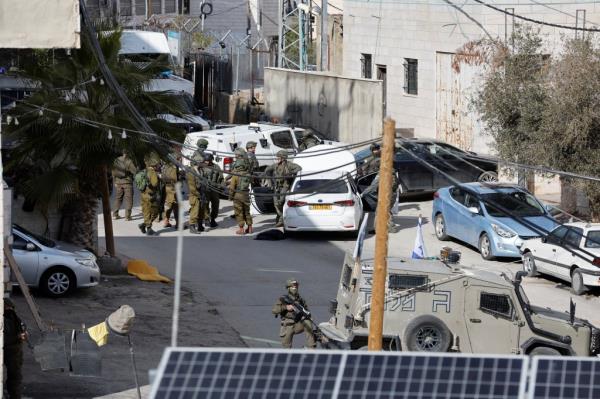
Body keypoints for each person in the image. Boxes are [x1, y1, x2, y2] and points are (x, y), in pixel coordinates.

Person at [272, 279, 316, 349]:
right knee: (286, 347)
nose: (295, 288)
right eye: (292, 287)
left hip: (297, 324)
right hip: (287, 325)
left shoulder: (300, 300)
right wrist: (286, 307)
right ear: (288, 288)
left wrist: (308, 316)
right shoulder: (283, 299)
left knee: (308, 322)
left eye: (296, 287)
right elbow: (274, 310)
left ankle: (311, 348)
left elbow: (306, 310)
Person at [264, 150, 302, 227]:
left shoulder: (289, 165)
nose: (277, 158)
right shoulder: (275, 165)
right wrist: (269, 179)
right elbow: (267, 170)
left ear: (283, 158)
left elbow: (299, 168)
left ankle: (281, 219)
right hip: (277, 187)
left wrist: (290, 173)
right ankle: (280, 217)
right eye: (277, 157)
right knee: (276, 203)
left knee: (281, 202)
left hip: (285, 185)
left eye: (279, 157)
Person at [4, 299, 26, 399]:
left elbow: (6, 338)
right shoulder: (15, 317)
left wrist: (19, 336)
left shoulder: (8, 319)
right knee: (15, 378)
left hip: (13, 351)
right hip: (16, 351)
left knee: (14, 379)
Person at [138, 154, 161, 236]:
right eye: (158, 164)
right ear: (155, 165)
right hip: (150, 195)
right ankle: (149, 228)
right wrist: (158, 177)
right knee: (154, 211)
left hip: (144, 194)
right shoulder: (152, 172)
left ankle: (144, 225)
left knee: (147, 211)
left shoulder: (145, 170)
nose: (159, 165)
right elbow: (154, 184)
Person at [228, 160, 253, 235]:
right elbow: (252, 181)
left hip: (237, 195)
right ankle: (250, 228)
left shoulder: (235, 175)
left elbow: (232, 187)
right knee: (247, 211)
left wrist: (230, 196)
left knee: (239, 212)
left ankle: (241, 229)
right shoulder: (248, 174)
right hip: (246, 194)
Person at [112, 150, 137, 220]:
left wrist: (115, 182)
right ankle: (127, 216)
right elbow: (134, 171)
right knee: (129, 199)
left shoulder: (116, 160)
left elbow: (113, 172)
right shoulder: (129, 161)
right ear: (128, 153)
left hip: (118, 183)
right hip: (127, 183)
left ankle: (115, 214)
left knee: (118, 198)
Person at [200, 153, 223, 228]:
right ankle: (206, 219)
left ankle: (213, 219)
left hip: (214, 189)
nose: (206, 162)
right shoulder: (201, 167)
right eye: (205, 161)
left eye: (208, 161)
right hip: (205, 189)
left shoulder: (216, 167)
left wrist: (220, 186)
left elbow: (221, 178)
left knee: (215, 205)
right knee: (205, 205)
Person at [186, 153, 205, 234]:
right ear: (198, 162)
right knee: (195, 211)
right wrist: (198, 194)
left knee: (201, 210)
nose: (203, 163)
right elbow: (192, 187)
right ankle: (192, 227)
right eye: (202, 162)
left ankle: (200, 225)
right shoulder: (191, 172)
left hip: (201, 193)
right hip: (194, 195)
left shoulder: (200, 170)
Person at [161, 157, 180, 228]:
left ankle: (166, 221)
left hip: (166, 187)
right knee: (176, 205)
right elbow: (174, 179)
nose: (179, 160)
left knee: (169, 205)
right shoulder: (174, 167)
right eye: (178, 159)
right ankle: (178, 224)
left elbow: (162, 177)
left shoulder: (165, 166)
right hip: (173, 188)